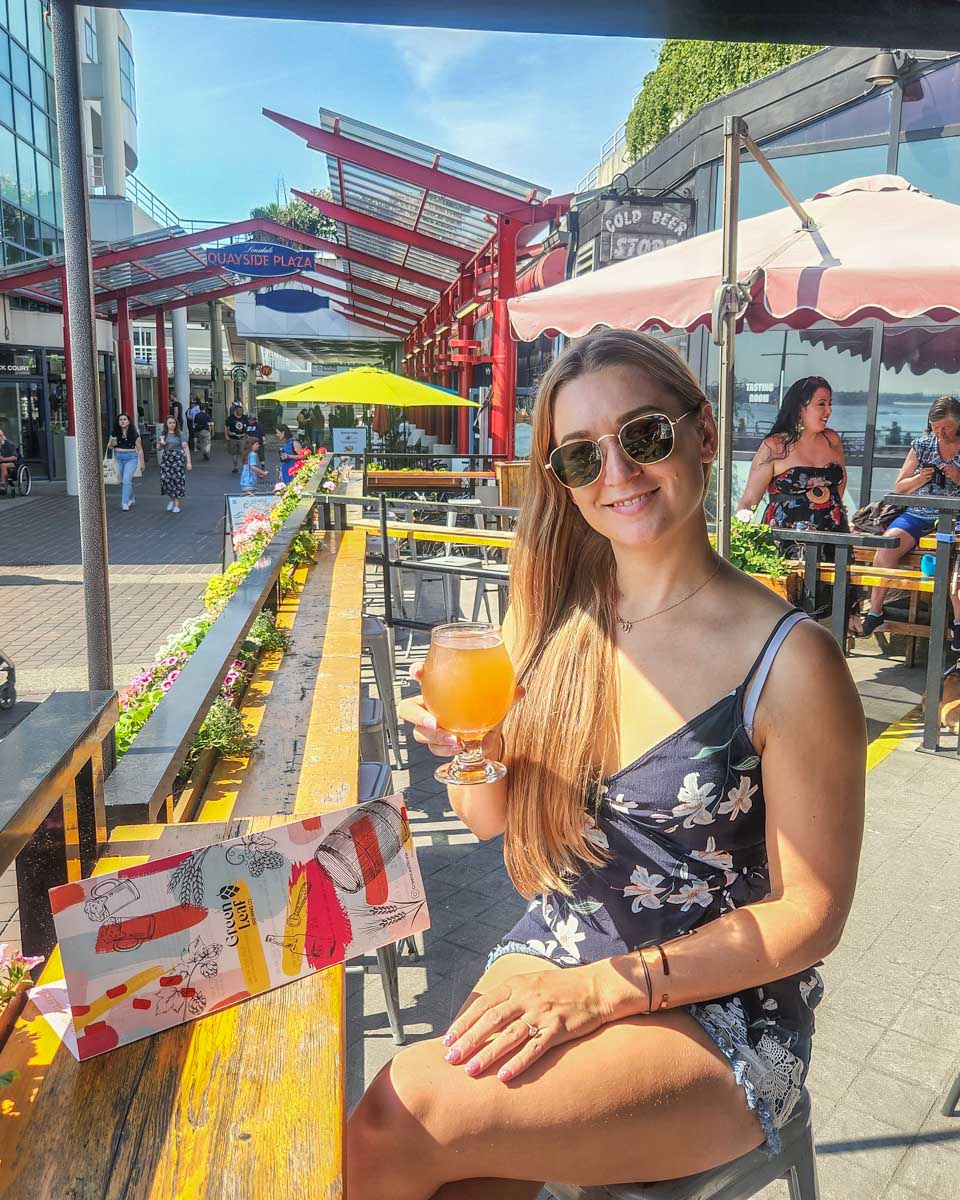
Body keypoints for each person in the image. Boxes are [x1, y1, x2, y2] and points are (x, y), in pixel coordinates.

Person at [347, 331, 865, 1198]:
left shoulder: (793, 663)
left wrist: (608, 992)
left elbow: (810, 916)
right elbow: (492, 821)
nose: (616, 471)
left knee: (394, 1121)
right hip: (558, 950)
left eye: (645, 436)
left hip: (722, 1012)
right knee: (453, 1177)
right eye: (582, 456)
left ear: (703, 434)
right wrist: (470, 754)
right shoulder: (554, 622)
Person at [860, 395, 960, 650]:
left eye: (946, 428)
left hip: (955, 516)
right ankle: (875, 610)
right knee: (887, 546)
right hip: (919, 512)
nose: (940, 433)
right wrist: (921, 479)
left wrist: (957, 477)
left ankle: (957, 623)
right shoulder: (922, 445)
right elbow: (899, 487)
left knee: (953, 560)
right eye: (935, 427)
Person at [736, 376, 848, 534]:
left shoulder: (832, 440)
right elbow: (749, 500)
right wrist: (739, 534)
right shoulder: (775, 446)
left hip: (833, 533)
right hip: (787, 536)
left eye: (830, 404)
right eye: (821, 404)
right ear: (799, 408)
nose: (828, 411)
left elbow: (841, 483)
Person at [106, 413, 144, 512]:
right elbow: (110, 447)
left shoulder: (134, 433)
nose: (122, 421)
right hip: (118, 457)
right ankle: (131, 498)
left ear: (129, 421)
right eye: (120, 420)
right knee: (124, 480)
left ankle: (124, 503)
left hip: (131, 458)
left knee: (126, 480)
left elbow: (139, 450)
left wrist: (142, 463)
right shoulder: (115, 433)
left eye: (124, 419)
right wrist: (111, 444)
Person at [158, 413, 191, 514]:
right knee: (165, 479)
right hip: (167, 458)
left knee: (177, 480)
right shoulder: (163, 434)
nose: (172, 424)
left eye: (173, 422)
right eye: (170, 423)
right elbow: (158, 448)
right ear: (166, 424)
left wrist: (189, 462)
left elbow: (185, 447)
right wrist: (161, 444)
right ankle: (172, 499)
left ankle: (177, 504)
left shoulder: (180, 434)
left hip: (177, 458)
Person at [226, 402, 246, 474]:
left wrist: (246, 434)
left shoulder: (244, 417)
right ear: (235, 410)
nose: (240, 412)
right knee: (234, 453)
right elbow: (226, 427)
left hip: (242, 438)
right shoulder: (230, 418)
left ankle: (244, 467)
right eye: (238, 410)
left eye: (241, 410)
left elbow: (247, 427)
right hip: (233, 438)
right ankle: (235, 467)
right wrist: (227, 435)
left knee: (242, 453)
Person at [0, 428, 18, 496]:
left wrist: (3, 459)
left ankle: (2, 485)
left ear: (3, 436)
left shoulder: (9, 444)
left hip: (11, 464)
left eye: (0, 436)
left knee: (3, 465)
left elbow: (15, 457)